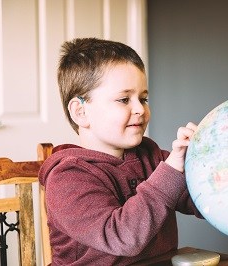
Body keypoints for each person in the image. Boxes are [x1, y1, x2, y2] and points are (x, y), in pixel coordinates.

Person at [39, 38, 201, 265]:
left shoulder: (150, 155)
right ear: (80, 112)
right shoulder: (67, 177)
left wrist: (209, 165)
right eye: (124, 99)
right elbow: (123, 238)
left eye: (143, 99)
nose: (139, 109)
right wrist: (172, 169)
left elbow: (199, 199)